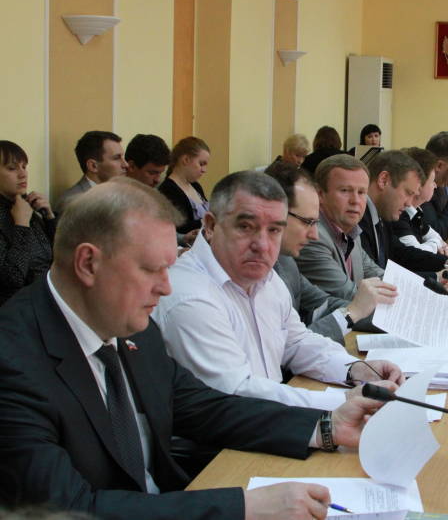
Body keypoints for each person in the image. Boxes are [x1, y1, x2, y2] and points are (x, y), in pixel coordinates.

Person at [0, 177, 386, 519]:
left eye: (169, 267)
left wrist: (326, 427)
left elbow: (202, 407)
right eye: (151, 269)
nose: (166, 286)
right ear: (88, 263)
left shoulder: (126, 322)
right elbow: (66, 509)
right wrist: (244, 508)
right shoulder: (13, 362)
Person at [154, 171, 402, 410]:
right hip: (231, 433)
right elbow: (237, 393)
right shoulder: (190, 296)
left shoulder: (266, 277)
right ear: (210, 225)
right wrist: (344, 401)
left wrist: (356, 370)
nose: (262, 245)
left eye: (274, 230)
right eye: (246, 227)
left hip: (271, 420)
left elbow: (296, 343)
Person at [266, 163, 398, 343]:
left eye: (361, 192)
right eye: (307, 222)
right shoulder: (257, 272)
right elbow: (287, 346)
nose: (313, 234)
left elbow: (326, 304)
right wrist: (352, 312)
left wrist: (399, 318)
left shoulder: (285, 261)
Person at [295, 154, 386, 301]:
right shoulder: (313, 237)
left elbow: (376, 273)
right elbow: (350, 297)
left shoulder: (351, 230)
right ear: (320, 194)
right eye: (345, 190)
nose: (355, 201)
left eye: (361, 192)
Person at [359, 150, 448, 273]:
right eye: (408, 193)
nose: (409, 203)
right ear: (383, 180)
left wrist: (446, 263)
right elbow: (374, 276)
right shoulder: (357, 219)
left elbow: (401, 254)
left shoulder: (382, 215)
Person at [0, 141, 56, 305]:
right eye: (12, 168)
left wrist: (49, 218)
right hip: (17, 309)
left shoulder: (26, 204)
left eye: (24, 167)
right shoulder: (20, 213)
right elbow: (12, 278)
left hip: (46, 299)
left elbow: (63, 256)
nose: (22, 174)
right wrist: (22, 226)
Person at [390, 147, 448, 255]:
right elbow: (415, 252)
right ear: (419, 185)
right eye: (432, 181)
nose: (435, 185)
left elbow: (437, 237)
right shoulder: (399, 215)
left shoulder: (416, 212)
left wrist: (437, 244)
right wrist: (436, 245)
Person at [55, 131, 126, 214]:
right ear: (93, 166)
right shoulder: (73, 203)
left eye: (123, 157)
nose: (125, 164)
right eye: (117, 158)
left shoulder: (120, 195)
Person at [158, 136, 209, 245]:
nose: (204, 170)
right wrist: (207, 221)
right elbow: (179, 227)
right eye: (201, 164)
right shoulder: (168, 190)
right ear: (185, 160)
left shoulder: (196, 186)